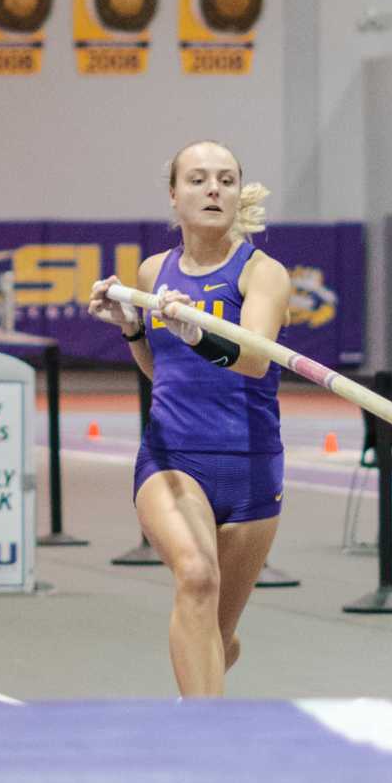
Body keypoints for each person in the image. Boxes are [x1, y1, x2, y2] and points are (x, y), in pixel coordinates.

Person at [88, 141, 291, 698]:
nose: (213, 190)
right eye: (198, 180)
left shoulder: (263, 275)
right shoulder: (155, 272)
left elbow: (252, 360)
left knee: (218, 639)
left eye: (226, 180)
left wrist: (198, 331)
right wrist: (132, 329)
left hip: (252, 469)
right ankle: (206, 744)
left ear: (238, 193)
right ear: (174, 196)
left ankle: (203, 688)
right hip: (173, 460)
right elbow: (163, 372)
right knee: (197, 577)